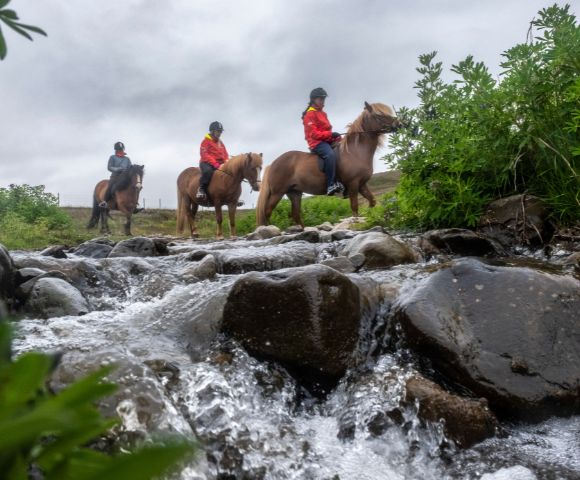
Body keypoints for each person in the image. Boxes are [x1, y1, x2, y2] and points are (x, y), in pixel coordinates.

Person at [302, 87, 344, 196]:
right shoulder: (309, 114)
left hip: (325, 140)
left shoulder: (323, 113)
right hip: (316, 142)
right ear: (313, 100)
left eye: (323, 99)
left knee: (343, 149)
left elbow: (326, 131)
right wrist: (330, 135)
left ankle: (344, 182)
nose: (322, 101)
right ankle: (330, 185)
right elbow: (314, 134)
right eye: (320, 99)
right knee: (330, 155)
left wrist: (335, 137)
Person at [197, 121, 229, 200]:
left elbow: (225, 154)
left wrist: (227, 162)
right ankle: (201, 189)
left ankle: (231, 194)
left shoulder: (220, 143)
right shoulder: (205, 142)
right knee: (208, 172)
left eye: (220, 132)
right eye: (218, 131)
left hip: (219, 163)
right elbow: (204, 155)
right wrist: (215, 163)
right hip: (206, 163)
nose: (220, 133)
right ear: (212, 131)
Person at [101, 141, 132, 207]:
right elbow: (109, 167)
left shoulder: (127, 159)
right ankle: (105, 202)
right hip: (115, 176)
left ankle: (134, 203)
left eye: (121, 149)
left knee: (133, 186)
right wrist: (118, 169)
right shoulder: (112, 157)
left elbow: (130, 167)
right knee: (110, 186)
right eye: (118, 149)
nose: (120, 150)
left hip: (125, 177)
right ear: (116, 150)